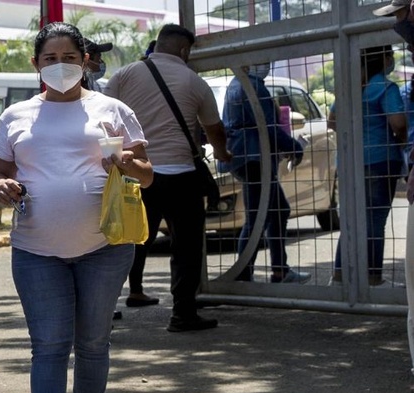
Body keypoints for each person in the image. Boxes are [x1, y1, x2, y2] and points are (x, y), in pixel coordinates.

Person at [0, 22, 152, 393]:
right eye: (49, 59)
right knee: (49, 344)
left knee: (94, 341)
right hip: (37, 249)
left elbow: (147, 174)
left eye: (69, 58)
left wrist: (124, 161)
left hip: (105, 247)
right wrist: (3, 184)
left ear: (86, 62)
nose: (59, 66)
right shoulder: (16, 116)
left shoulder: (112, 109)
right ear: (36, 64)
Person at [105, 24, 232, 332]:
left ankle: (104, 309)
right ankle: (183, 313)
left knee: (129, 240)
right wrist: (223, 153)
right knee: (186, 247)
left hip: (137, 173)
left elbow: (104, 118)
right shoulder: (195, 81)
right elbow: (214, 129)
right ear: (185, 51)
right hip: (181, 176)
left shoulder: (124, 75)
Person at [221, 62, 309, 284]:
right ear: (248, 64)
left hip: (249, 157)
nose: (266, 66)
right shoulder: (252, 86)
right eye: (262, 62)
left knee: (278, 210)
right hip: (254, 159)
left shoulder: (238, 84)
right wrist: (293, 146)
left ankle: (280, 270)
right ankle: (243, 273)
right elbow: (267, 127)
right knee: (256, 218)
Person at [329, 45, 407, 286]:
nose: (392, 59)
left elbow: (332, 122)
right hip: (379, 160)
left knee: (352, 221)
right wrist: (398, 140)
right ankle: (372, 278)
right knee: (374, 221)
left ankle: (341, 277)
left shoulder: (349, 87)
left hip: (349, 162)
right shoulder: (384, 87)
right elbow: (398, 123)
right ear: (382, 59)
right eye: (390, 55)